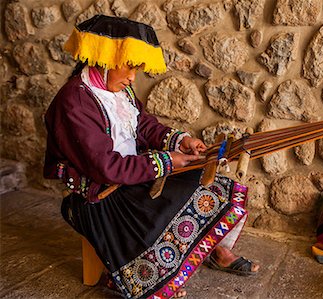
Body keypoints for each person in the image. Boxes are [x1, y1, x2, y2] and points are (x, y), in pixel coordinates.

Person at [44, 15, 258, 299]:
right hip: (101, 198)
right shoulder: (73, 102)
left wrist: (181, 142)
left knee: (207, 185)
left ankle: (212, 246)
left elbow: (143, 125)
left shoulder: (120, 90)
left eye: (137, 68)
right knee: (176, 203)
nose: (133, 76)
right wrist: (167, 162)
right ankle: (135, 273)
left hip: (130, 176)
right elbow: (106, 168)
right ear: (105, 58)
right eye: (130, 66)